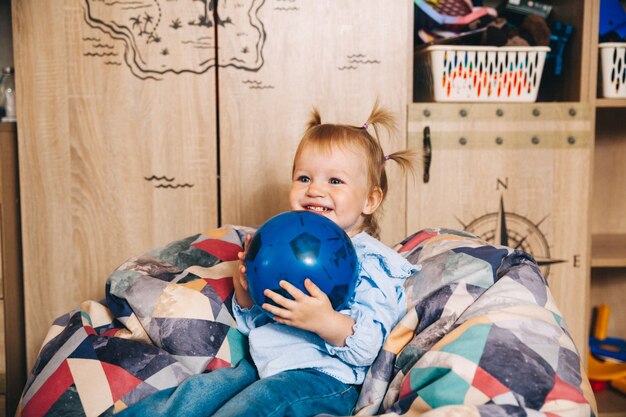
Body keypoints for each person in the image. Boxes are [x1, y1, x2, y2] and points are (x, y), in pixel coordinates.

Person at [118, 102, 418, 417]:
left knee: (251, 408)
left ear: (370, 199)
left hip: (325, 379)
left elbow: (369, 346)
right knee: (194, 395)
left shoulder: (374, 263)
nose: (315, 189)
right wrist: (246, 289)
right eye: (304, 178)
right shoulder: (278, 243)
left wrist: (325, 321)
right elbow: (257, 320)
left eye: (335, 181)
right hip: (263, 364)